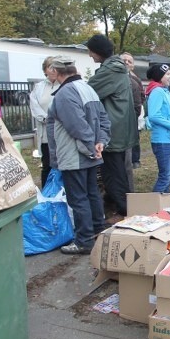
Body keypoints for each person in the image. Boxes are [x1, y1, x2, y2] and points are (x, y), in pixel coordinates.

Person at [46, 57, 111, 255]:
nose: (48, 73)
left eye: (50, 69)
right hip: (91, 152)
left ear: (57, 72)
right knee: (92, 193)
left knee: (78, 198)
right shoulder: (87, 88)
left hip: (75, 155)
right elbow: (103, 118)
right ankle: (98, 229)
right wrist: (101, 142)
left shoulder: (65, 94)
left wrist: (92, 147)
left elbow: (77, 126)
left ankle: (84, 240)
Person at [86, 34, 137, 217]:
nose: (90, 55)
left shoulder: (110, 71)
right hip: (118, 129)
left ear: (98, 51)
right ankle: (121, 207)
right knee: (116, 172)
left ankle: (126, 212)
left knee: (113, 174)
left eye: (91, 51)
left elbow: (87, 92)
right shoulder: (115, 68)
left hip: (113, 130)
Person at [146, 63, 170, 193]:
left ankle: (163, 208)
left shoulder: (165, 91)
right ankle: (153, 208)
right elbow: (154, 115)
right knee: (165, 177)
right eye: (168, 74)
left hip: (168, 139)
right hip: (161, 140)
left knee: (167, 176)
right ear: (160, 76)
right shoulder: (157, 92)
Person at [29, 56, 60, 188]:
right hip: (46, 131)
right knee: (47, 163)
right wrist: (46, 118)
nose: (53, 70)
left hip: (61, 130)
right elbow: (34, 105)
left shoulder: (64, 84)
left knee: (62, 163)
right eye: (50, 67)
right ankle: (46, 192)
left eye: (55, 67)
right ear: (45, 70)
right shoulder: (39, 87)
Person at [120, 52, 145, 170]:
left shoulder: (136, 80)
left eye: (129, 61)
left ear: (132, 66)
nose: (126, 62)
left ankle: (135, 159)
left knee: (134, 138)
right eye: (124, 60)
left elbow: (142, 96)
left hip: (132, 114)